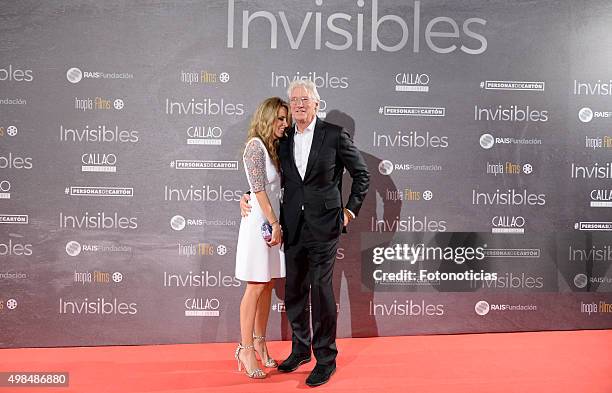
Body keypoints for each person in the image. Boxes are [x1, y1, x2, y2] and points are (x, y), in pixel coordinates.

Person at [241, 80, 370, 386]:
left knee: (322, 290)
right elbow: (268, 177)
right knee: (296, 290)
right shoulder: (283, 138)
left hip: (325, 226)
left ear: (316, 103)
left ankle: (325, 358)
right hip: (292, 226)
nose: (298, 104)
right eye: (294, 100)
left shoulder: (334, 135)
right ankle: (300, 349)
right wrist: (246, 194)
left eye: (304, 100)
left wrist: (349, 212)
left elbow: (362, 174)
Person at [234, 97, 290, 379]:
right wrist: (274, 223)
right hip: (261, 223)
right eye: (279, 119)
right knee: (255, 285)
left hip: (271, 221)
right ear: (267, 118)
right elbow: (257, 190)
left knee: (266, 285)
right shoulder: (255, 146)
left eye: (286, 119)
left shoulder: (274, 147)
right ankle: (244, 348)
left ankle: (260, 343)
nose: (285, 124)